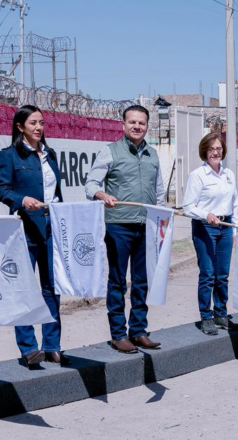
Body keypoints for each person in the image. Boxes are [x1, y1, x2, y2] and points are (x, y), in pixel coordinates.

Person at [85, 105, 165, 354]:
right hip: (118, 225)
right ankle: (119, 334)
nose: (137, 126)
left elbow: (159, 192)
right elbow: (90, 185)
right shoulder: (109, 152)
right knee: (118, 281)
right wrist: (102, 195)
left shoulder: (153, 154)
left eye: (141, 123)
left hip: (147, 226)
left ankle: (139, 330)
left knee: (142, 281)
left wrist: (162, 219)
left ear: (147, 126)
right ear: (123, 125)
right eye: (132, 122)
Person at [0, 105, 67, 368]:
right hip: (24, 229)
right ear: (20, 126)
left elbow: (56, 192)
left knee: (52, 289)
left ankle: (53, 346)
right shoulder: (9, 156)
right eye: (33, 123)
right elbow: (1, 190)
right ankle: (29, 348)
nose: (39, 127)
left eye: (42, 123)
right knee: (24, 290)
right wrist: (22, 200)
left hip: (52, 227)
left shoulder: (51, 155)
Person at [183, 132, 238, 336]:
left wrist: (235, 230)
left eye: (218, 149)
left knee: (222, 275)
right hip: (204, 227)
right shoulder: (198, 175)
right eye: (211, 149)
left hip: (226, 226)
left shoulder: (229, 174)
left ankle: (221, 313)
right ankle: (206, 317)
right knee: (207, 274)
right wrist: (206, 214)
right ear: (204, 152)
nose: (216, 152)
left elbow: (234, 204)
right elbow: (188, 207)